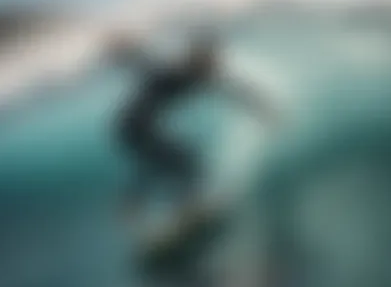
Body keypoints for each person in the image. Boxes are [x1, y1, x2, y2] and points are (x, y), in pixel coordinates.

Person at [106, 32, 277, 222]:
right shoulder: (176, 70)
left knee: (168, 165)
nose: (214, 64)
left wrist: (261, 107)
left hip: (133, 126)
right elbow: (146, 63)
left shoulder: (200, 74)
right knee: (185, 164)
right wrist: (126, 50)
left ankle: (137, 206)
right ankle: (180, 210)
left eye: (213, 59)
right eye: (208, 59)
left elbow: (233, 88)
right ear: (197, 58)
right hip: (134, 125)